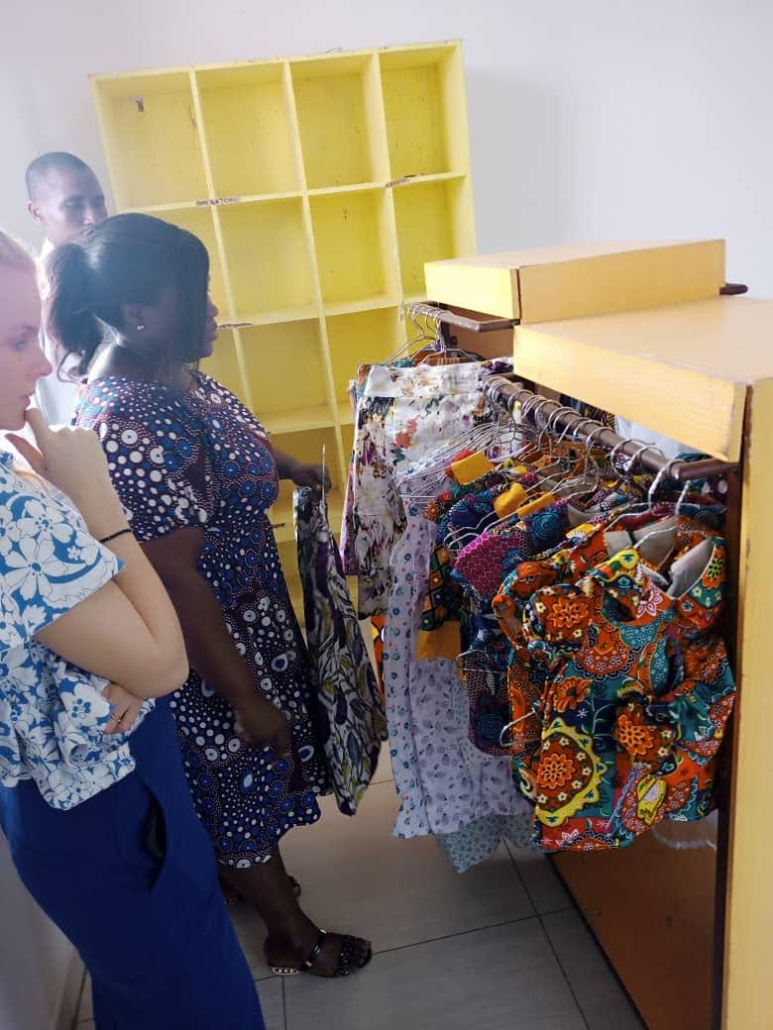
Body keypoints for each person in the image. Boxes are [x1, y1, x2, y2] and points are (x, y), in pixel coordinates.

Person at [51, 212, 372, 978]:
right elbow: (174, 577)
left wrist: (286, 467)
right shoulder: (123, 421)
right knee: (238, 772)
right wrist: (243, 695)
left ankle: (253, 877)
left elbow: (227, 439)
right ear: (138, 312)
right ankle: (290, 935)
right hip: (204, 646)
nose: (214, 309)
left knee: (258, 772)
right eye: (195, 295)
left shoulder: (170, 373)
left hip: (246, 617)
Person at [0, 229, 265, 1027]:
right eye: (16, 340)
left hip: (88, 788)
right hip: (104, 803)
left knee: (152, 993)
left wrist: (114, 667)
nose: (42, 365)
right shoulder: (10, 505)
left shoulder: (14, 469)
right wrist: (104, 512)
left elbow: (61, 627)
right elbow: (162, 665)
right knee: (195, 1002)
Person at [25, 152, 109, 426]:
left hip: (129, 433)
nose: (93, 218)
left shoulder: (119, 275)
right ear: (37, 212)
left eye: (99, 203)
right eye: (74, 205)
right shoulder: (26, 291)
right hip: (58, 439)